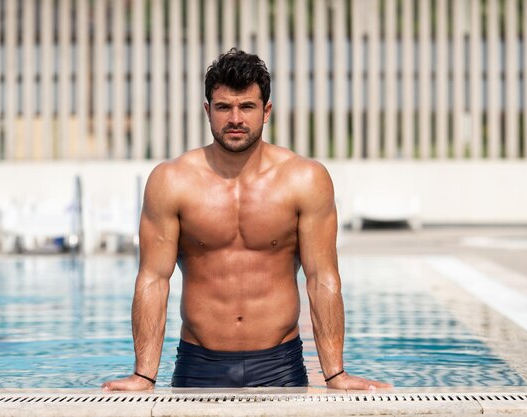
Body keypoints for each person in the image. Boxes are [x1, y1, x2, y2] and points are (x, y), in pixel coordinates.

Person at [102, 49, 391, 391]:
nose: (235, 118)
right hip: (199, 364)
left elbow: (322, 277)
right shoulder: (172, 181)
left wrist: (335, 374)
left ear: (266, 111)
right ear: (208, 110)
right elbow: (153, 278)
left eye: (247, 107)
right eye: (224, 107)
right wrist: (144, 375)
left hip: (280, 364)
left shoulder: (304, 179)